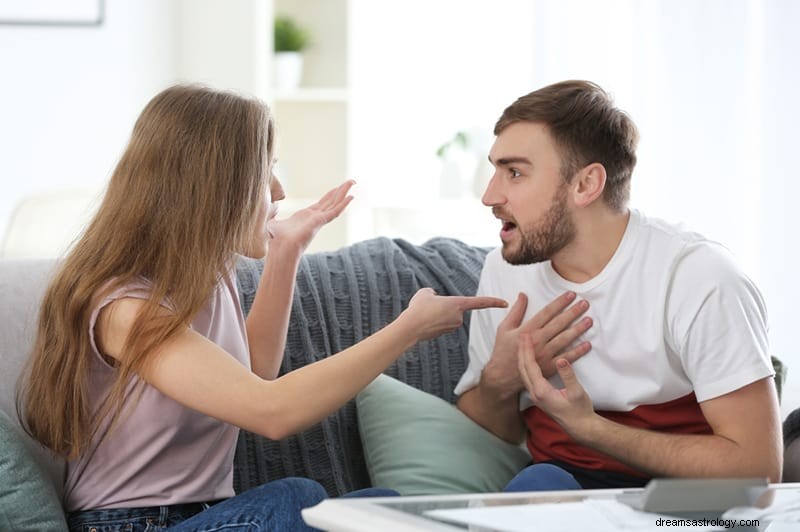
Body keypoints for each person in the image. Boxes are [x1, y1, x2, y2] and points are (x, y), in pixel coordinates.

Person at [16, 84, 508, 531]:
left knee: (380, 506)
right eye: (266, 170)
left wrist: (286, 254)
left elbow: (253, 374)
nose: (278, 192)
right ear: (213, 187)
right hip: (133, 525)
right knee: (299, 496)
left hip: (213, 517)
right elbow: (270, 412)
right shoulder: (126, 308)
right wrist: (406, 330)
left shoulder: (210, 276)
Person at [455, 80, 782, 491]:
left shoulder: (698, 277)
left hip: (681, 507)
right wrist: (501, 379)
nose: (489, 195)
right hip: (557, 493)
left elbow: (758, 469)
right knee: (535, 488)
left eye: (515, 172)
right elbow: (492, 430)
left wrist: (591, 429)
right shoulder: (505, 271)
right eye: (495, 170)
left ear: (586, 185)